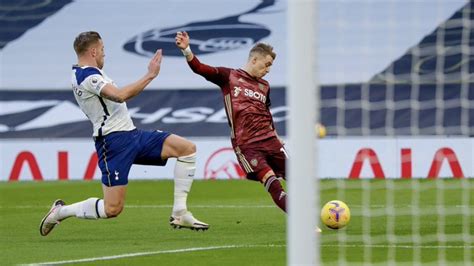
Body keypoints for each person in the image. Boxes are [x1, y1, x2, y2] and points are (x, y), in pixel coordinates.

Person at [39, 31, 209, 236]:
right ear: (93, 51)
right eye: (102, 50)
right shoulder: (87, 76)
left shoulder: (88, 73)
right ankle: (60, 212)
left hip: (132, 134)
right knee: (112, 209)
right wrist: (150, 75)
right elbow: (120, 96)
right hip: (113, 143)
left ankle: (180, 212)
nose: (104, 54)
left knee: (186, 149)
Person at [175, 31, 292, 215]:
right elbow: (200, 68)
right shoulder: (229, 77)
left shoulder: (264, 86)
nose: (268, 69)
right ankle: (304, 224)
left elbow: (266, 112)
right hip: (247, 145)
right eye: (266, 64)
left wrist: (276, 135)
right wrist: (187, 50)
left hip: (271, 140)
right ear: (254, 60)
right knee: (272, 183)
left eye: (270, 66)